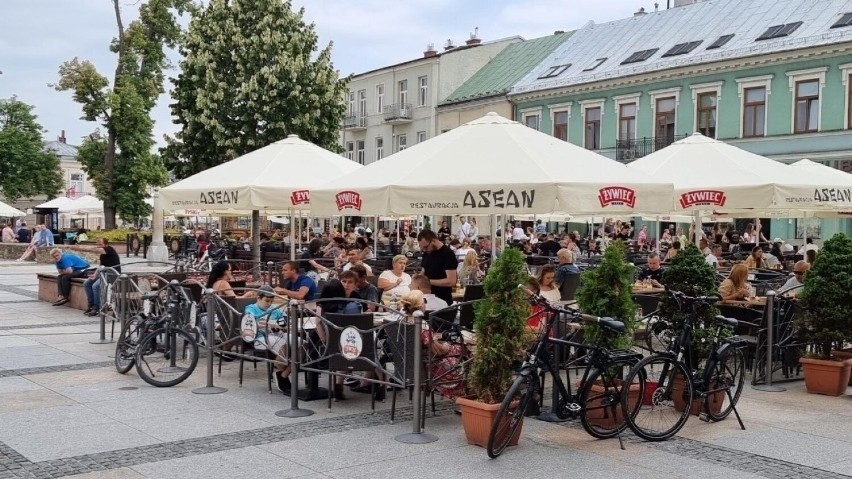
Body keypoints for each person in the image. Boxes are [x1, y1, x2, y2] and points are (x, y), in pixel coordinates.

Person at [399, 290, 468, 400]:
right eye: (424, 301)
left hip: (407, 366)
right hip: (428, 367)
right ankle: (462, 397)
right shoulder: (421, 325)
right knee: (464, 351)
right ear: (421, 306)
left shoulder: (401, 322)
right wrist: (447, 345)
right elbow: (438, 351)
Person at [78, 238, 122, 316]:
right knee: (87, 283)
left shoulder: (109, 249)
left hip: (112, 274)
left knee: (96, 286)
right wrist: (95, 275)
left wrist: (71, 246)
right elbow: (100, 266)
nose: (98, 246)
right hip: (104, 273)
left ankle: (97, 308)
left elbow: (93, 250)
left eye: (100, 244)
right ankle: (91, 306)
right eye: (97, 244)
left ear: (106, 245)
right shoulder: (102, 255)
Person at [417, 229, 458, 306]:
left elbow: (451, 281)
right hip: (427, 299)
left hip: (443, 300)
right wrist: (418, 278)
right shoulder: (427, 253)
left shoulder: (447, 254)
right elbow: (424, 272)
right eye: (422, 248)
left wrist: (427, 281)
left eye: (425, 247)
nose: (424, 250)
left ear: (434, 240)